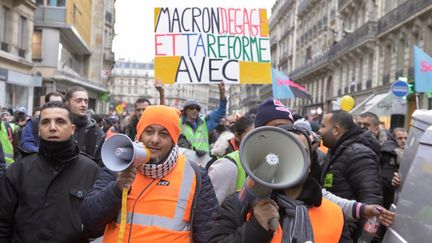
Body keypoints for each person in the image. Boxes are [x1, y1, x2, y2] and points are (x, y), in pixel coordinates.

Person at [80, 105, 219, 242]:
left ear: (173, 140)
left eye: (164, 134)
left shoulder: (195, 175)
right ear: (139, 135)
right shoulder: (118, 167)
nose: (154, 140)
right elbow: (89, 221)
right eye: (149, 131)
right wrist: (116, 189)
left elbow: (209, 235)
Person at [209, 125, 351, 243]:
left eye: (302, 153)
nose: (294, 159)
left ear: (310, 164)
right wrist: (255, 228)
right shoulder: (239, 204)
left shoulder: (334, 214)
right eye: (284, 152)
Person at [0, 101, 100, 242]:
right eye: (46, 122)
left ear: (72, 129)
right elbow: (3, 224)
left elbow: (99, 225)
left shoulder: (91, 171)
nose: (52, 127)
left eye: (60, 122)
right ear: (39, 129)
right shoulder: (18, 170)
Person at [319, 110, 383, 239]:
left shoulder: (358, 155)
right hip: (337, 229)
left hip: (349, 233)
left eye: (323, 126)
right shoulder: (336, 151)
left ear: (336, 130)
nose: (319, 131)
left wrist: (365, 239)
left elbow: (371, 199)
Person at [208, 115, 254, 204]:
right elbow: (211, 208)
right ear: (237, 135)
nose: (256, 140)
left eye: (261, 135)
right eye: (251, 135)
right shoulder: (225, 165)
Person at [180, 82, 227, 156]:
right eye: (192, 108)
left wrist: (222, 93)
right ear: (186, 110)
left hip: (203, 161)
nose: (195, 110)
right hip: (185, 161)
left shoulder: (204, 122)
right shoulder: (179, 123)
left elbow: (221, 112)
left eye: (197, 109)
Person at [65, 86, 104, 164]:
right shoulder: (60, 128)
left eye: (86, 101)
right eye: (78, 101)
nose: (83, 104)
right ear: (67, 104)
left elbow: (103, 164)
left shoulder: (97, 131)